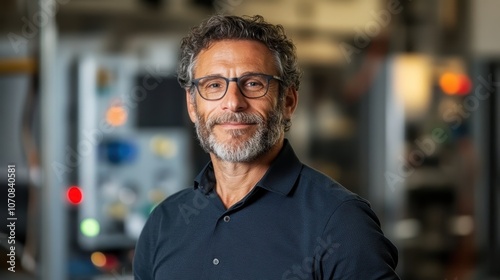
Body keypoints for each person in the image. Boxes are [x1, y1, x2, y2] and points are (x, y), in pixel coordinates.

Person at [133, 14, 399, 280]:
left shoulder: (341, 222)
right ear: (192, 106)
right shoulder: (164, 223)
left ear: (288, 102)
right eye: (214, 85)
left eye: (253, 83)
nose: (233, 103)